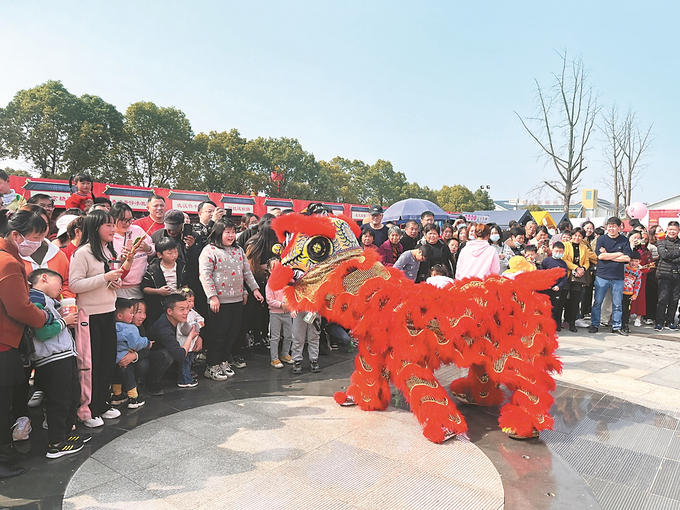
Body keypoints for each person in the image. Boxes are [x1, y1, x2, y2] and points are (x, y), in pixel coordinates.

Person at [0, 208, 53, 478]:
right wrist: (43, 316)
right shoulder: (8, 262)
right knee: (3, 401)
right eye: (35, 237)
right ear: (16, 235)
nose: (38, 243)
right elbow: (18, 307)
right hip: (4, 342)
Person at [69, 210, 125, 428]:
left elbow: (105, 281)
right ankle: (86, 409)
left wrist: (113, 283)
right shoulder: (82, 253)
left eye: (113, 225)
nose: (113, 229)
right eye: (108, 225)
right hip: (88, 315)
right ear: (95, 228)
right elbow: (75, 285)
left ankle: (101, 403)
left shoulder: (107, 250)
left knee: (106, 360)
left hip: (107, 311)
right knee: (89, 364)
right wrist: (104, 278)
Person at [26, 269, 85, 458]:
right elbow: (42, 332)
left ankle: (67, 433)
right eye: (59, 283)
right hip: (51, 359)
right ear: (44, 278)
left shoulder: (48, 300)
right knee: (59, 400)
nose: (61, 289)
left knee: (72, 396)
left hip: (62, 356)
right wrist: (64, 321)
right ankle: (56, 443)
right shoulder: (36, 298)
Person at [199, 218, 263, 381]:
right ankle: (212, 365)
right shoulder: (209, 250)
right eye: (227, 232)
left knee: (232, 333)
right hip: (219, 302)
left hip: (236, 300)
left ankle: (224, 361)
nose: (231, 235)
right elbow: (205, 276)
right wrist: (212, 297)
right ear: (219, 233)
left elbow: (246, 272)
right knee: (218, 334)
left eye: (233, 232)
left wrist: (254, 289)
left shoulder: (238, 250)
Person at [147, 293, 202, 391]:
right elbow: (179, 355)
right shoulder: (164, 327)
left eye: (187, 308)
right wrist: (191, 337)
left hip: (171, 348)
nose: (186, 312)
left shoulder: (179, 318)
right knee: (167, 355)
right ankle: (152, 381)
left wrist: (198, 337)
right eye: (182, 309)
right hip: (150, 355)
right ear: (169, 311)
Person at [589, 217, 632, 335]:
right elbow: (600, 256)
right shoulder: (602, 239)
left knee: (617, 303)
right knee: (598, 302)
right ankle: (595, 324)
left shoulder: (624, 240)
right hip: (602, 276)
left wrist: (608, 254)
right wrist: (618, 254)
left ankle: (616, 326)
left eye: (613, 226)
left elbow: (627, 258)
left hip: (618, 277)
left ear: (619, 227)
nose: (611, 228)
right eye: (609, 226)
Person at [19, 204, 74, 298]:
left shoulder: (58, 254)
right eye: (36, 225)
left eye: (46, 225)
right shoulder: (13, 254)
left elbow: (67, 282)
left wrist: (63, 301)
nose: (42, 229)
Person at [110, 202, 154, 299]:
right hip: (119, 288)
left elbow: (153, 250)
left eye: (130, 220)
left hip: (141, 285)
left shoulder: (137, 230)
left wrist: (148, 248)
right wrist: (121, 260)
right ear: (113, 218)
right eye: (123, 220)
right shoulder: (110, 237)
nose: (127, 224)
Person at [111, 298, 149, 408]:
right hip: (124, 359)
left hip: (116, 358)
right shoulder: (130, 328)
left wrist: (134, 356)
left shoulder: (113, 326)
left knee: (118, 374)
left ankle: (117, 395)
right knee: (128, 375)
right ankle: (134, 397)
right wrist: (146, 342)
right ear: (120, 315)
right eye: (135, 312)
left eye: (144, 312)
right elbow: (136, 343)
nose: (142, 316)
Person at [141, 238, 186, 328]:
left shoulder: (182, 266)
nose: (174, 255)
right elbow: (144, 288)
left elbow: (186, 284)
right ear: (159, 255)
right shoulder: (153, 269)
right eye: (170, 253)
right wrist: (158, 291)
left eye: (175, 251)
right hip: (159, 307)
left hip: (178, 303)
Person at [563, 227, 596, 331]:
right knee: (564, 299)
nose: (577, 238)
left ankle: (572, 322)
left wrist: (583, 269)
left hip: (578, 277)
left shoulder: (584, 247)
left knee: (575, 300)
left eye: (580, 236)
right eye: (575, 235)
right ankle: (562, 321)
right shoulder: (566, 245)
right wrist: (575, 268)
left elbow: (586, 261)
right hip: (568, 275)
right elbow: (564, 260)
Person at [265, 260, 294, 369]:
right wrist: (281, 305)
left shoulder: (287, 281)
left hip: (287, 314)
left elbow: (292, 288)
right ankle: (274, 358)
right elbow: (269, 300)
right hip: (275, 314)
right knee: (275, 337)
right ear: (269, 270)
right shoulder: (270, 285)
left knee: (289, 335)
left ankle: (285, 354)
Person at [655, 221, 680, 331]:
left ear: (678, 230)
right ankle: (659, 322)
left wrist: (670, 256)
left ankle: (670, 321)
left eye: (674, 229)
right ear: (667, 229)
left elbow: (668, 256)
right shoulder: (661, 242)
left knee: (674, 300)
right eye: (670, 229)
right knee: (662, 299)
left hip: (677, 274)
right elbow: (664, 255)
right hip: (664, 274)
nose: (672, 231)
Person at [541, 242, 569, 331]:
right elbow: (542, 273)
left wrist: (559, 286)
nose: (558, 253)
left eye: (561, 251)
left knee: (556, 307)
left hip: (557, 289)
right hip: (547, 288)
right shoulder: (546, 261)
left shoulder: (563, 263)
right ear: (552, 250)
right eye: (556, 251)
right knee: (546, 307)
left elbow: (565, 278)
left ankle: (555, 324)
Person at [291, 309, 321, 374]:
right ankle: (297, 360)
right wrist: (292, 307)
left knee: (314, 336)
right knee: (298, 337)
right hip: (299, 308)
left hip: (315, 308)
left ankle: (314, 359)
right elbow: (290, 298)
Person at [622, 252, 642, 333]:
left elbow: (638, 283)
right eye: (632, 261)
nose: (633, 263)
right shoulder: (624, 267)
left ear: (639, 262)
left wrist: (635, 294)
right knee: (619, 308)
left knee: (627, 310)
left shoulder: (638, 272)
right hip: (620, 292)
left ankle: (625, 324)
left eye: (636, 261)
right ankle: (617, 323)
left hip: (629, 293)